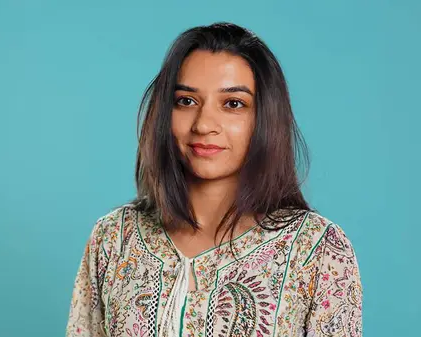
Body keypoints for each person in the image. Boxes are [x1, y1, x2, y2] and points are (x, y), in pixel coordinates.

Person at [65, 22, 363, 337]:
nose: (205, 124)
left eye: (233, 104)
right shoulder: (114, 238)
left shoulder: (316, 249)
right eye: (186, 101)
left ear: (265, 118)